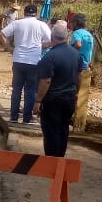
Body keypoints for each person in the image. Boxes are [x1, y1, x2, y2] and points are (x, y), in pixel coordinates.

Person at [33, 22, 81, 157]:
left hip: (53, 100)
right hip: (69, 99)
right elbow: (79, 76)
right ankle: (60, 158)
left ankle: (51, 161)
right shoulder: (75, 54)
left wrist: (37, 101)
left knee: (51, 131)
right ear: (67, 37)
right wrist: (76, 93)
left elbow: (46, 81)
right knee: (63, 129)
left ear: (52, 37)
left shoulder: (49, 57)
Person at [0, 4, 51, 124]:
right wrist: (39, 47)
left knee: (16, 89)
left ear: (24, 13)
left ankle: (13, 117)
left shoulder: (17, 23)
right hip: (34, 62)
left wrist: (9, 48)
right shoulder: (41, 25)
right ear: (36, 14)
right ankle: (27, 118)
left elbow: (1, 34)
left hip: (18, 60)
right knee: (30, 90)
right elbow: (50, 41)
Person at [69, 13, 95, 132]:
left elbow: (78, 45)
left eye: (72, 22)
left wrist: (69, 51)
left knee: (73, 92)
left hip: (77, 64)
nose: (71, 24)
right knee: (82, 93)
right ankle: (78, 124)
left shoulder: (77, 33)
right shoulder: (89, 34)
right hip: (86, 65)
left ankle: (70, 118)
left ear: (75, 23)